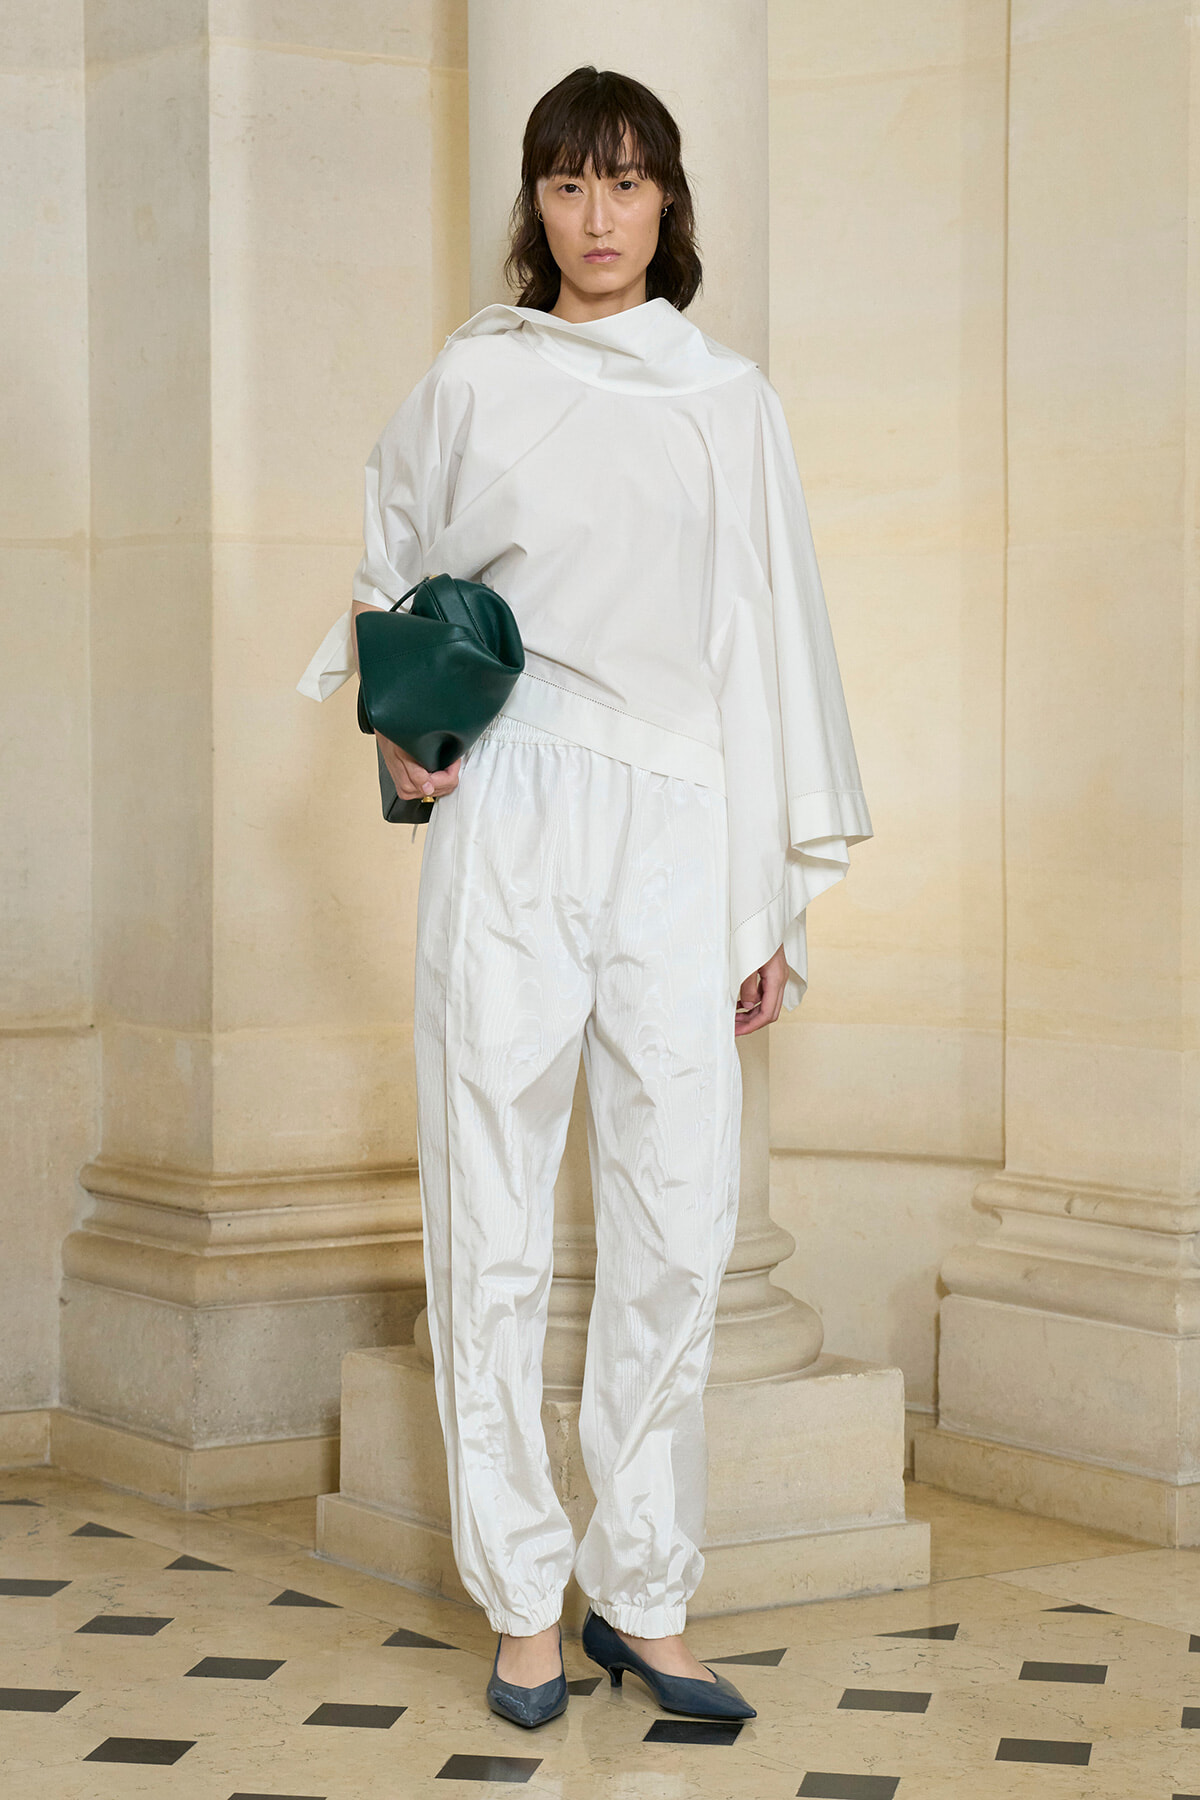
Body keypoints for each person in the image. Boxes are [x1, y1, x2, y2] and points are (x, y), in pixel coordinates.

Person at [298, 65, 870, 1729]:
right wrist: (408, 747)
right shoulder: (475, 382)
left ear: (669, 203)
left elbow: (769, 647)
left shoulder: (727, 398)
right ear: (536, 204)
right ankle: (524, 1602)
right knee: (487, 1209)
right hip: (521, 807)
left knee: (679, 1223)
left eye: (628, 184)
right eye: (568, 185)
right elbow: (387, 564)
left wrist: (771, 902)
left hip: (683, 824)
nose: (599, 217)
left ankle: (648, 1591)